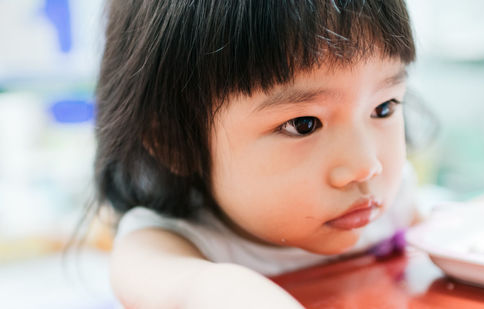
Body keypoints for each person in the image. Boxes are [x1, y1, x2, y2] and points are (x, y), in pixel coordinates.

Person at [93, 0, 418, 307]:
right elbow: (164, 281)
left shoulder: (395, 201)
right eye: (304, 125)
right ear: (172, 143)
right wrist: (222, 291)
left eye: (384, 108)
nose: (366, 166)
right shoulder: (169, 244)